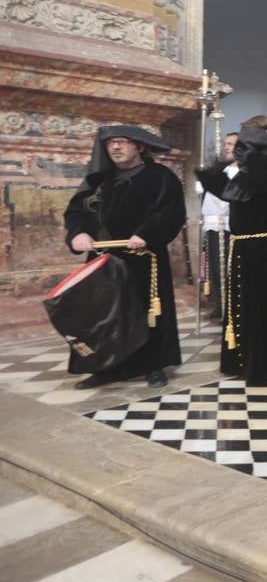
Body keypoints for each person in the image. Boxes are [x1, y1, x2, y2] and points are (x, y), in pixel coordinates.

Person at [64, 126, 186, 389]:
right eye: (111, 144)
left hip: (143, 257)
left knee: (147, 313)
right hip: (103, 259)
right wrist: (78, 234)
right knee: (104, 315)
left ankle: (152, 366)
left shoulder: (160, 176)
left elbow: (172, 212)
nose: (115, 148)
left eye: (122, 142)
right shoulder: (99, 179)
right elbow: (76, 213)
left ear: (139, 147)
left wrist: (147, 234)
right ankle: (105, 368)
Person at [197, 118, 267, 385]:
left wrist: (253, 159)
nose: (243, 145)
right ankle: (241, 360)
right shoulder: (243, 171)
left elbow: (265, 187)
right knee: (242, 305)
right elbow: (224, 190)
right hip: (240, 246)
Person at [198, 131, 236, 319]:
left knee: (227, 268)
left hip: (229, 225)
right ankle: (218, 302)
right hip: (212, 224)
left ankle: (230, 305)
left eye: (231, 144)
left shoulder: (240, 174)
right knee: (214, 268)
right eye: (226, 143)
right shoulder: (218, 171)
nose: (227, 147)